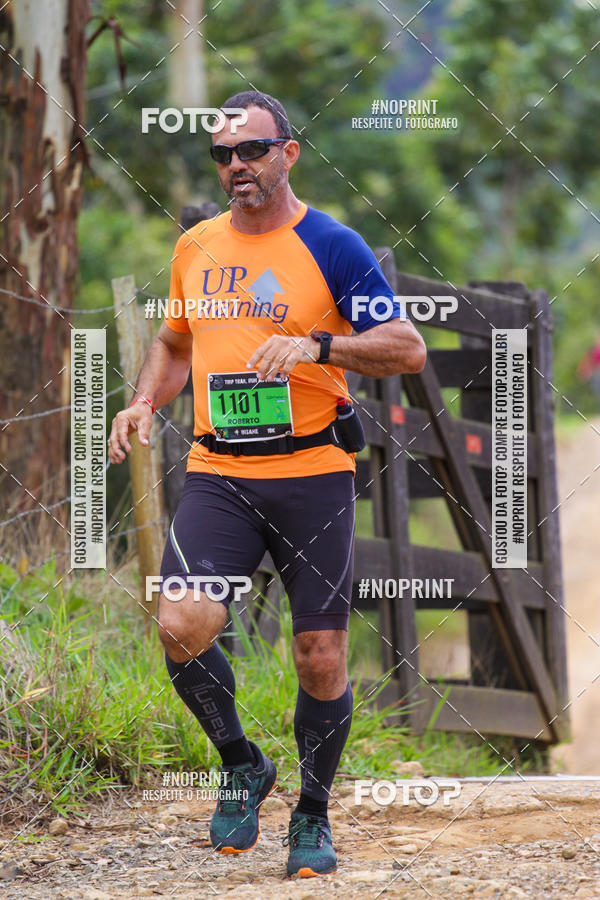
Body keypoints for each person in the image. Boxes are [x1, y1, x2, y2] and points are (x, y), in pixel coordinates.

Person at [108, 90, 426, 878]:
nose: (236, 166)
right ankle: (242, 763)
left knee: (319, 655)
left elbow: (407, 347)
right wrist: (144, 401)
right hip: (220, 470)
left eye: (251, 150)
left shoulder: (333, 245)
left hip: (312, 471)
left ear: (288, 153)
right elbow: (175, 342)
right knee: (181, 621)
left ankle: (311, 813)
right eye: (223, 155)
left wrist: (319, 346)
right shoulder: (197, 246)